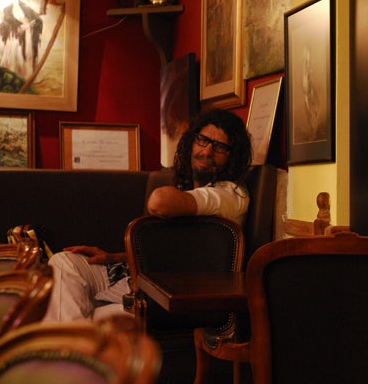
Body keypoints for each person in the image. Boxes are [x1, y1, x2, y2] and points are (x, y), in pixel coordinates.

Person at [43, 109, 253, 322]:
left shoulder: (229, 195)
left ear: (232, 157)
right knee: (64, 262)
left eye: (219, 147)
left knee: (87, 316)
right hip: (135, 277)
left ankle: (65, 347)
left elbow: (159, 202)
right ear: (192, 142)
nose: (207, 151)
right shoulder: (190, 188)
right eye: (203, 140)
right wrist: (116, 257)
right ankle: (69, 343)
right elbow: (173, 251)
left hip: (167, 296)